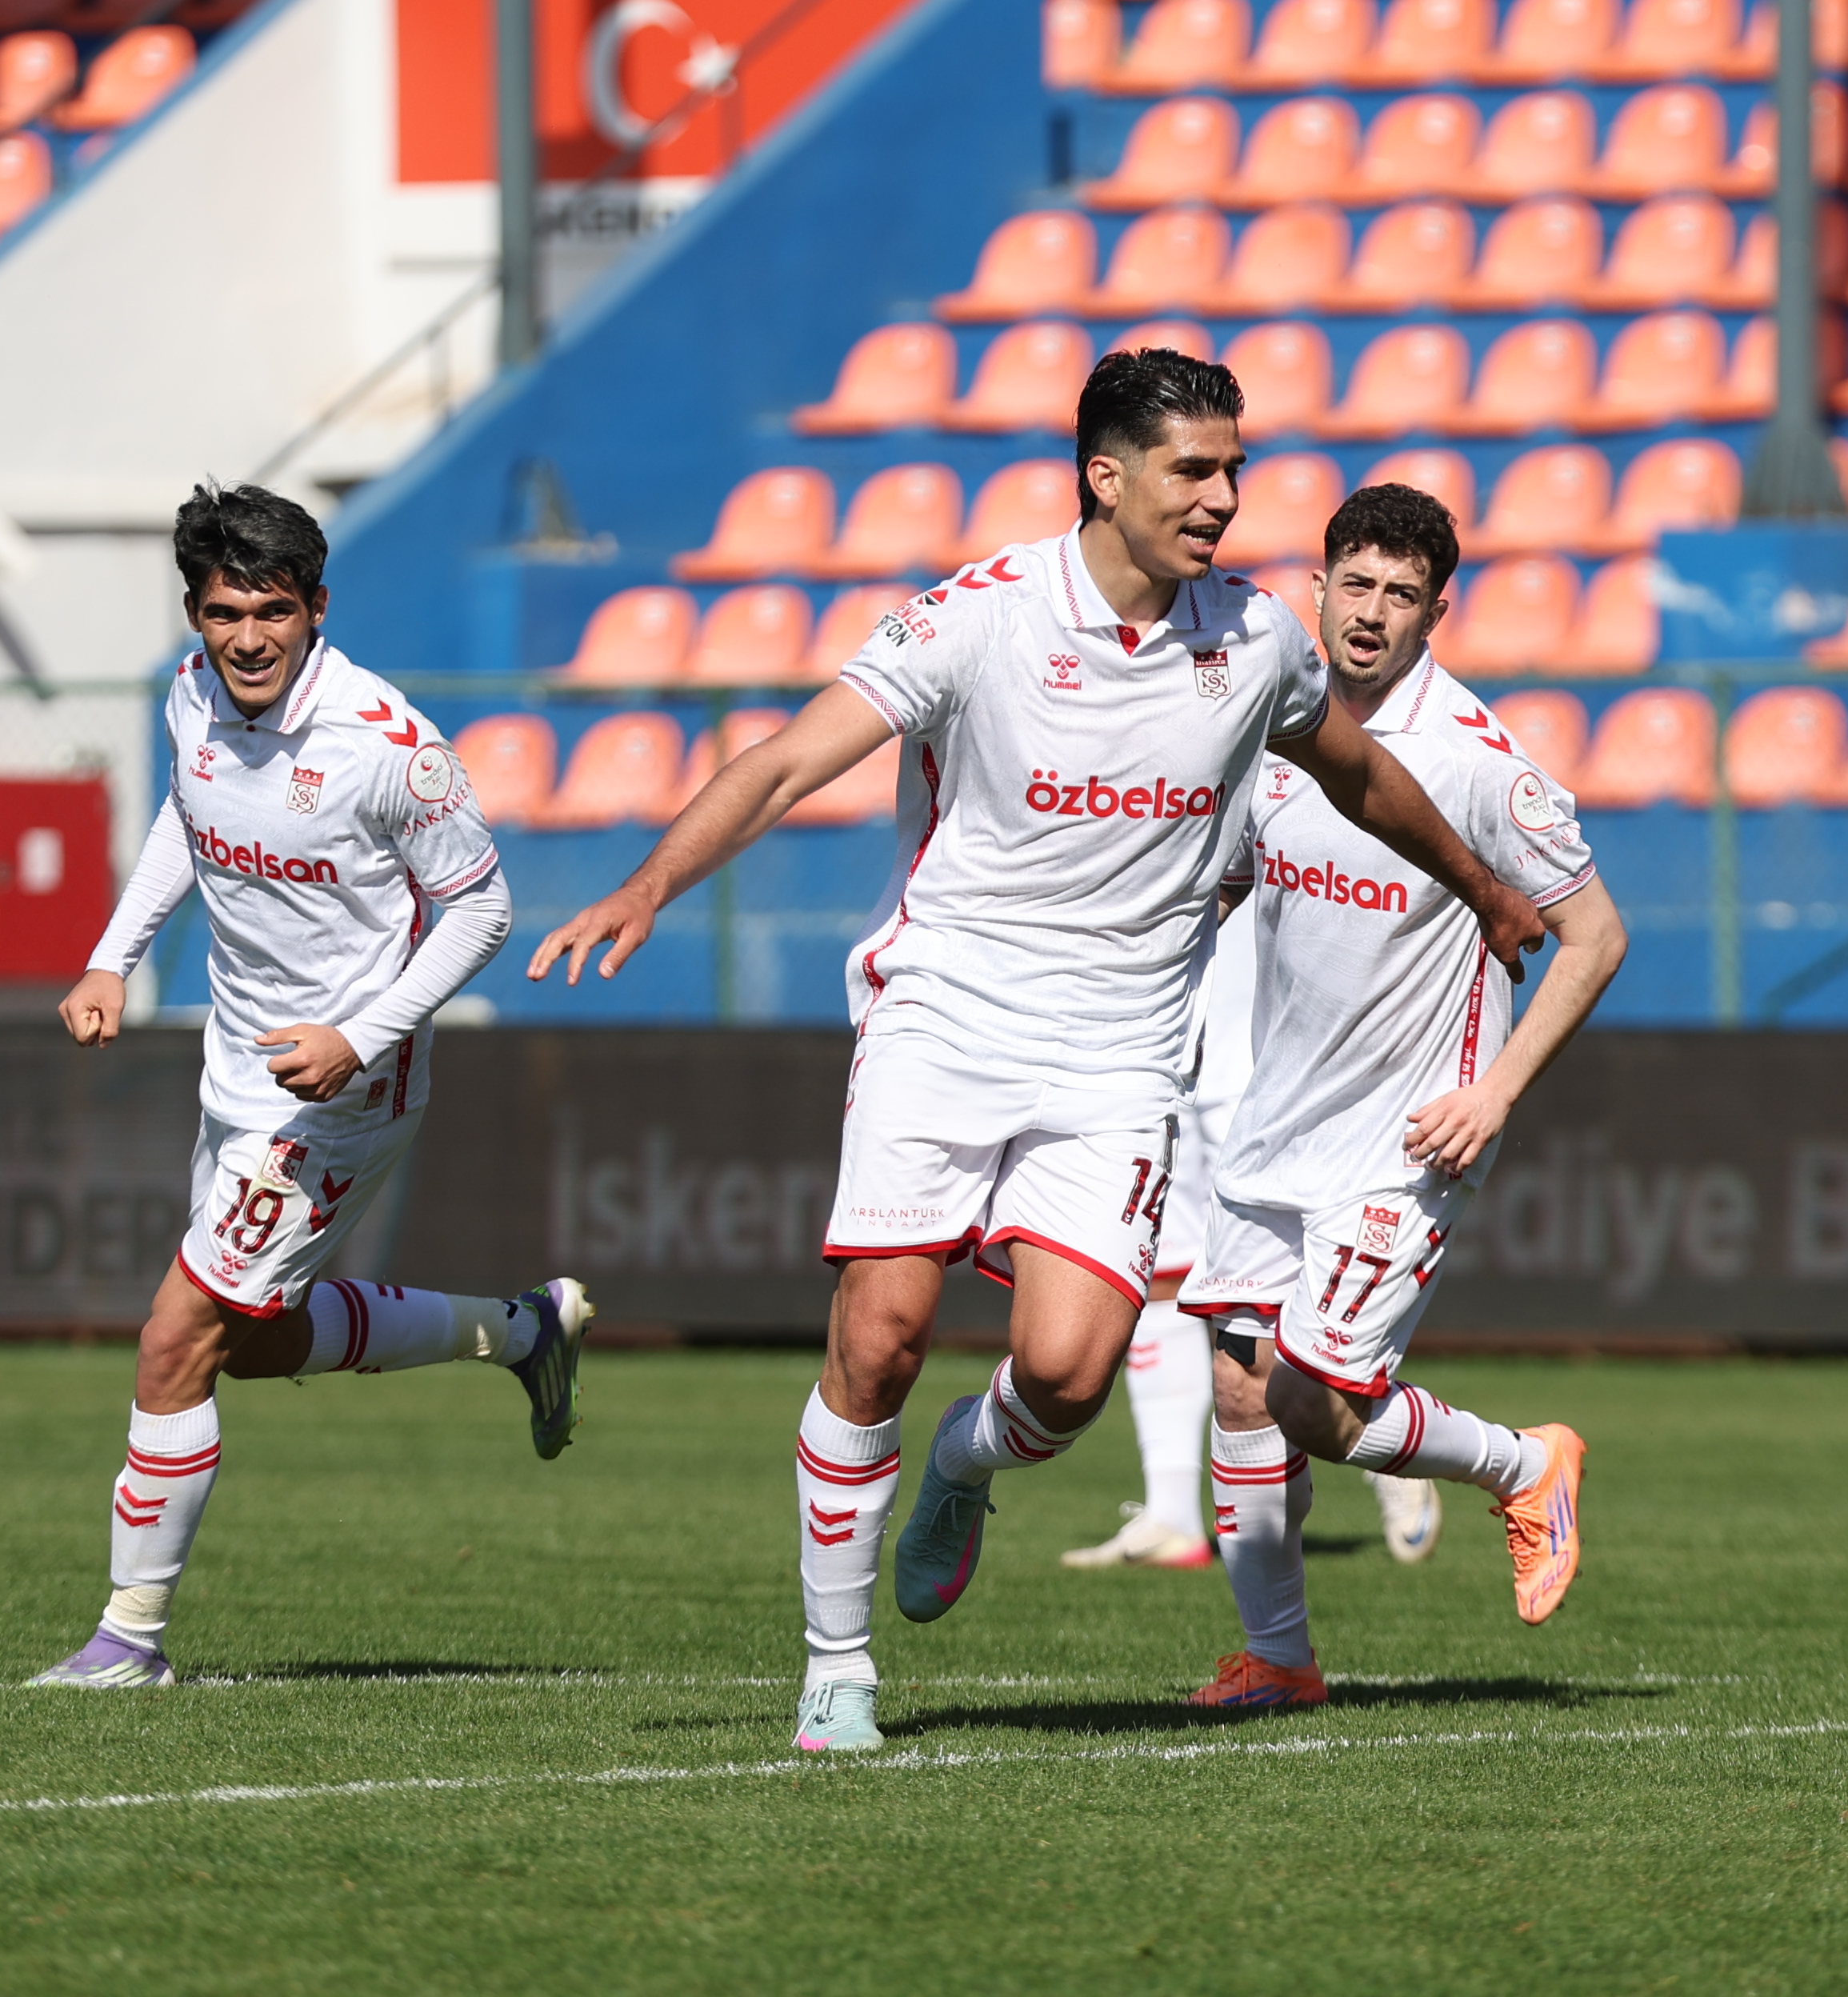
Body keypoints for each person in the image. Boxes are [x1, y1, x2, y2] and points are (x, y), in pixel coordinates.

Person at [528, 350, 1547, 1754]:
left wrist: (1484, 885)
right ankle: (837, 1668)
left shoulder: (1251, 638)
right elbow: (781, 761)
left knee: (1067, 1376)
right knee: (877, 1343)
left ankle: (961, 1463)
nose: (1222, 498)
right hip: (942, 1017)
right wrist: (649, 883)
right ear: (1105, 475)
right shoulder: (983, 618)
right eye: (1194, 470)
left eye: (1233, 470)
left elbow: (1360, 775)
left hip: (1122, 1056)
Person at [30, 482, 594, 1691]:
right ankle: (520, 1330)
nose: (245, 638)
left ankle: (128, 1642)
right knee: (250, 1338)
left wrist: (360, 1035)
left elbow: (482, 908)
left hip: (340, 1094)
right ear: (196, 611)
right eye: (223, 612)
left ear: (316, 609)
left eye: (271, 612)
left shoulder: (388, 747)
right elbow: (188, 819)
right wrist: (108, 959)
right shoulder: (192, 698)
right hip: (235, 1067)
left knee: (174, 1339)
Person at [1177, 483, 1628, 1711]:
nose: (1371, 616)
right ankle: (1279, 1660)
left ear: (1439, 613)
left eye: (1401, 596)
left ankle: (1524, 1463)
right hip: (1276, 1123)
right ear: (1316, 590)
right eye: (1355, 586)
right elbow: (1220, 891)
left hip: (1407, 1134)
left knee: (1314, 1405)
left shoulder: (1477, 764)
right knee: (1232, 1386)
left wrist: (1495, 1095)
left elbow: (1593, 936)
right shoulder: (1270, 730)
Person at [1061, 913, 1446, 1571]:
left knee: (1276, 1284)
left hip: (1246, 1059)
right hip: (1144, 1051)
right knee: (1159, 1272)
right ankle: (1172, 1512)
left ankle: (1378, 1437)